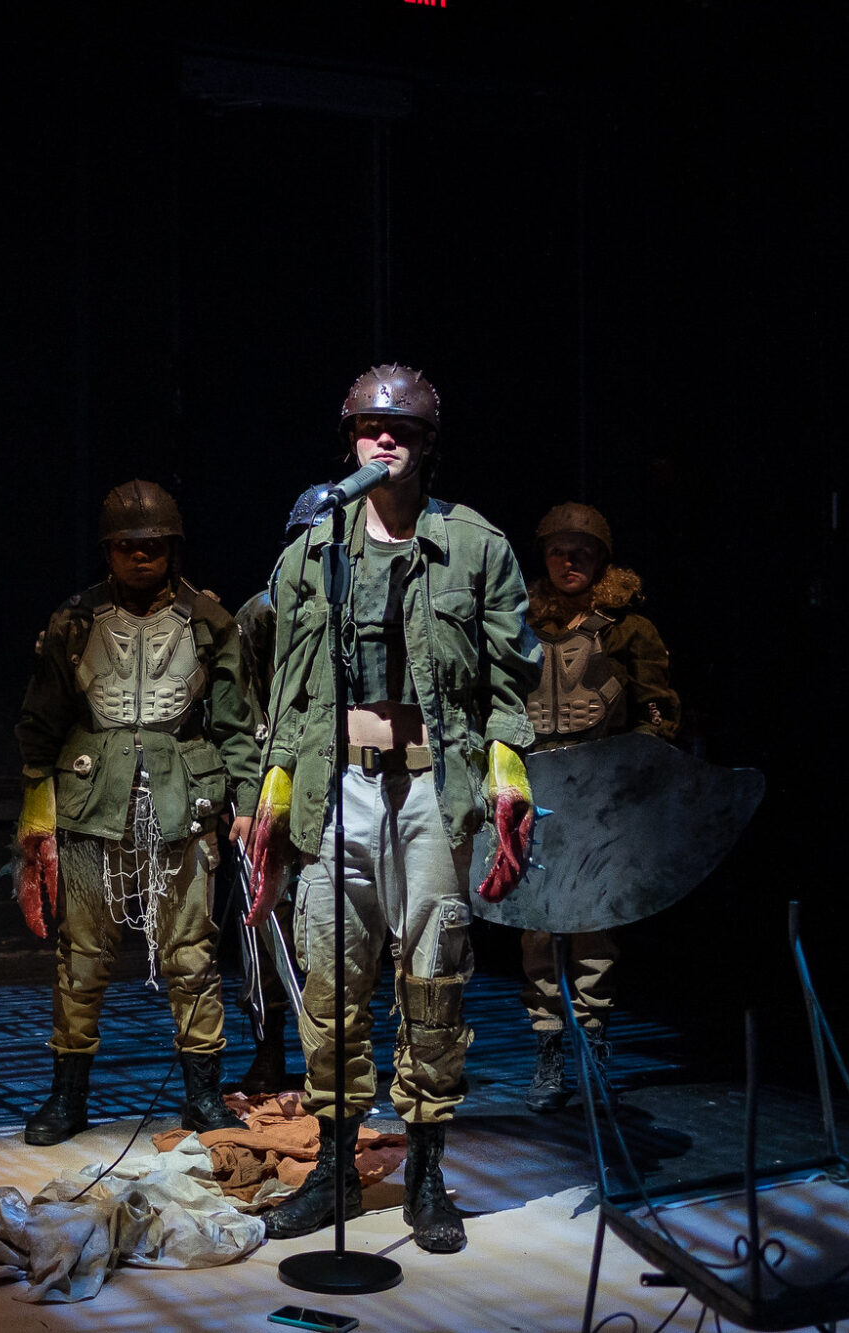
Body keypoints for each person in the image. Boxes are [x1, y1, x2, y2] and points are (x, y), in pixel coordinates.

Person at [246, 365, 543, 1254]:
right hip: (341, 786)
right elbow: (289, 689)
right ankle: (337, 1164)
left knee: (434, 977)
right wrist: (272, 791)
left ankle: (424, 1169)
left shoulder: (475, 546)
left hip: (430, 786)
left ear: (425, 445)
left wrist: (508, 779)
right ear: (350, 439)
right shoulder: (313, 545)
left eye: (402, 431)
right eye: (371, 429)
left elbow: (508, 679)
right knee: (332, 978)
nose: (386, 442)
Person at [13, 480, 264, 1146]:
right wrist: (36, 810)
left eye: (151, 543)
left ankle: (203, 1096)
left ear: (172, 546)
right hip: (92, 802)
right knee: (82, 955)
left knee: (191, 954)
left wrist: (245, 800)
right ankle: (67, 1096)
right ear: (108, 551)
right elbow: (41, 722)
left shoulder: (210, 621)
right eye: (125, 545)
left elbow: (238, 722)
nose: (139, 555)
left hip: (184, 802)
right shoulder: (74, 620)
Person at [517, 501, 680, 1111]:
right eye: (559, 549)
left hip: (600, 796)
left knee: (593, 926)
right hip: (536, 793)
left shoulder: (627, 630)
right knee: (537, 927)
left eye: (582, 551)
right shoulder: (522, 623)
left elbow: (657, 709)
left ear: (602, 560)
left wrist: (638, 771)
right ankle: (548, 1045)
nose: (570, 559)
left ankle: (593, 1038)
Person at [227, 483, 333, 1094]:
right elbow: (241, 712)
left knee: (336, 926)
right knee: (261, 926)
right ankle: (269, 1049)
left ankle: (335, 1055)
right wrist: (247, 796)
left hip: (342, 783)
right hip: (276, 783)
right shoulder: (262, 613)